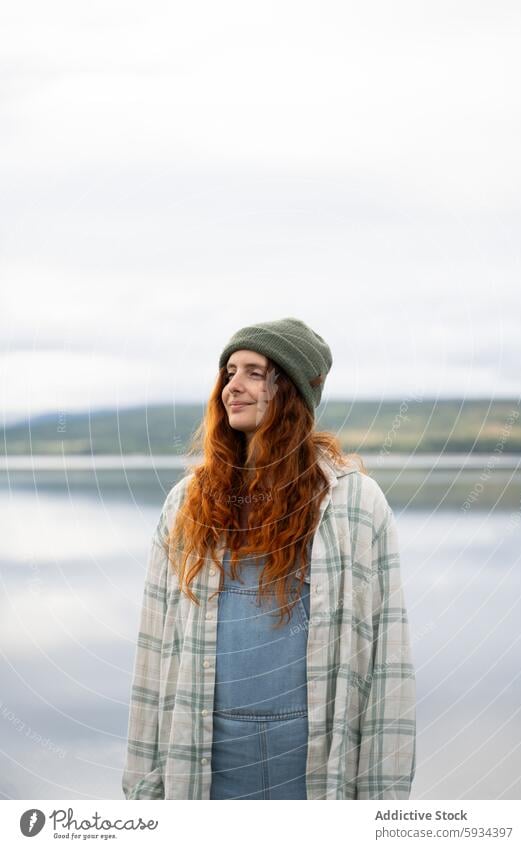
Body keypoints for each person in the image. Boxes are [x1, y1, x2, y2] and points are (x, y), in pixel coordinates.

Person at [122, 316, 416, 800]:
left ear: (292, 393)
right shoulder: (187, 503)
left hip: (313, 765)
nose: (231, 387)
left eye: (254, 373)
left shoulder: (354, 505)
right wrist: (143, 790)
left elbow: (388, 659)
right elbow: (154, 649)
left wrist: (381, 804)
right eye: (229, 372)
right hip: (203, 761)